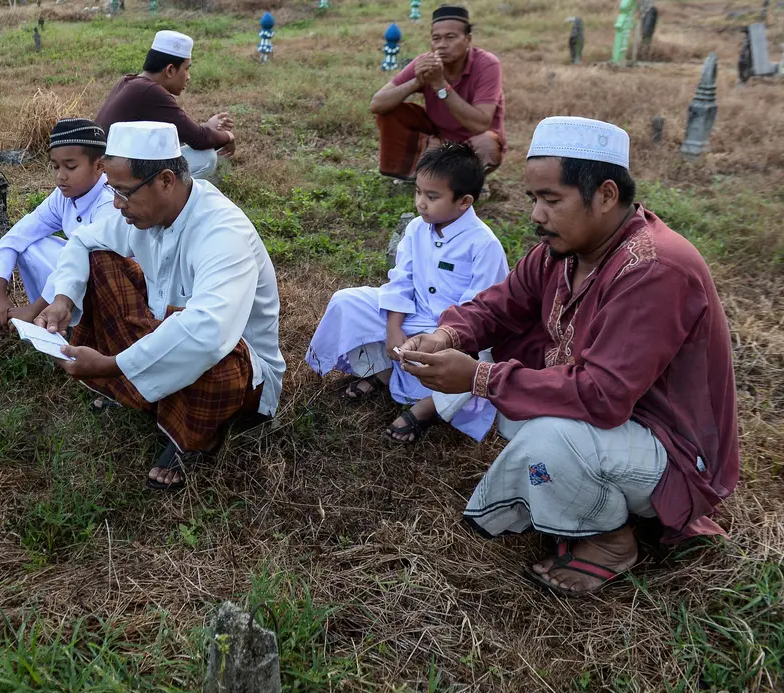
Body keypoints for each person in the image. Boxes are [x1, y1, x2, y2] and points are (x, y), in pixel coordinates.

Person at [397, 117, 739, 595]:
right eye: (534, 199)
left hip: (671, 446)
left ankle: (611, 541)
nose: (536, 215)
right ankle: (586, 495)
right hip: (619, 424)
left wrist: (481, 378)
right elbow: (500, 305)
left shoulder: (655, 269)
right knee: (522, 404)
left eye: (551, 200)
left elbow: (602, 396)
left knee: (543, 437)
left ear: (604, 195)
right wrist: (448, 336)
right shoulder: (565, 251)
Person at [36, 121, 284, 490]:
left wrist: (112, 364)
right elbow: (83, 241)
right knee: (100, 260)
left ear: (166, 180)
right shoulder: (144, 213)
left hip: (238, 365)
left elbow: (207, 332)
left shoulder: (222, 232)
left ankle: (197, 435)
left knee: (217, 357)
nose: (116, 205)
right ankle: (146, 389)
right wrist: (62, 300)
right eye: (112, 191)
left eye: (123, 193)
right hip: (162, 329)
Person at [305, 143, 508, 443]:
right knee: (346, 302)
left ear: (464, 202)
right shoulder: (416, 228)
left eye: (432, 196)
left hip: (453, 334)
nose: (421, 203)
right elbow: (401, 280)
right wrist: (393, 326)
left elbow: (479, 313)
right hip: (413, 314)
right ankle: (383, 370)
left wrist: (440, 339)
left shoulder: (484, 245)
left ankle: (427, 408)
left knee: (476, 365)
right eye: (418, 192)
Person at [0, 118, 120, 327]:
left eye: (71, 166)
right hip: (75, 278)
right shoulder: (64, 196)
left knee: (82, 259)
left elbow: (83, 264)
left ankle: (59, 320)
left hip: (114, 290)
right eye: (55, 166)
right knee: (29, 245)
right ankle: (49, 320)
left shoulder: (109, 204)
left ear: (100, 166)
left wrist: (32, 309)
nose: (60, 176)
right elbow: (16, 236)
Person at [369, 5, 506, 181]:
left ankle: (473, 179)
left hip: (475, 145)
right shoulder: (426, 63)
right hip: (439, 142)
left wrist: (440, 85)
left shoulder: (487, 64)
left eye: (450, 37)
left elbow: (480, 125)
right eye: (436, 38)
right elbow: (377, 104)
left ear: (468, 39)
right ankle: (423, 174)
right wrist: (417, 81)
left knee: (487, 143)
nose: (442, 45)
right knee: (391, 111)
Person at [95, 30, 236, 180]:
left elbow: (181, 133)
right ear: (170, 70)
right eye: (186, 69)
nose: (188, 77)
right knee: (206, 157)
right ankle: (158, 201)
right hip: (113, 176)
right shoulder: (149, 91)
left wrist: (207, 127)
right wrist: (229, 136)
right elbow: (199, 140)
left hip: (107, 167)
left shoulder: (130, 81)